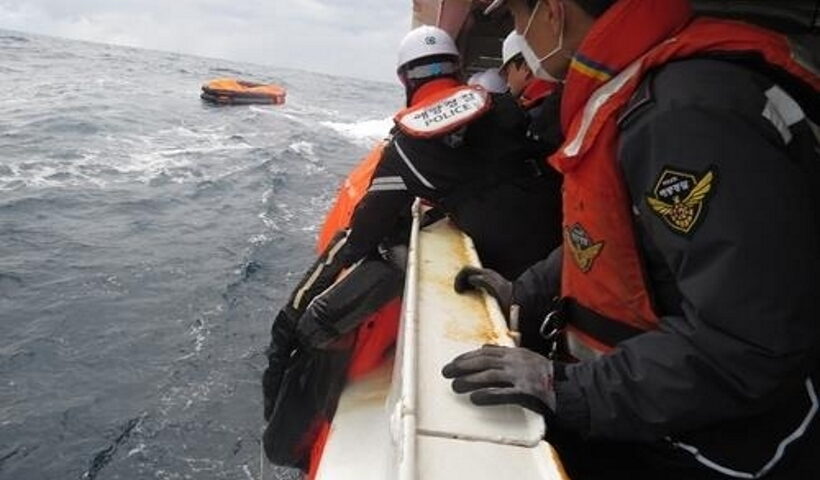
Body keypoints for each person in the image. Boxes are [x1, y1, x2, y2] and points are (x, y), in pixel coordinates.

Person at [443, 0, 820, 479]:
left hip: (718, 444)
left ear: (553, 12)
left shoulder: (686, 112)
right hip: (650, 410)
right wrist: (523, 294)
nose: (518, 36)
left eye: (517, 18)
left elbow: (748, 339)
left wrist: (571, 390)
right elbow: (612, 239)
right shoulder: (643, 92)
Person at [262, 24, 564, 474]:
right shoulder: (506, 107)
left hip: (518, 282)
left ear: (406, 80)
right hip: (565, 255)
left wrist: (291, 321)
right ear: (458, 69)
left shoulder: (405, 150)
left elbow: (360, 237)